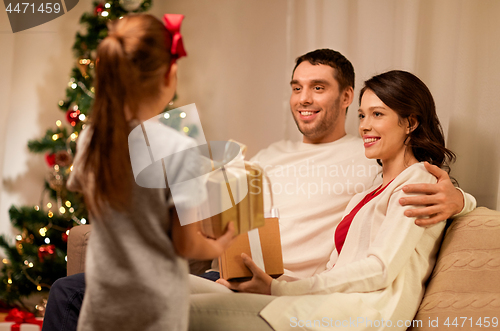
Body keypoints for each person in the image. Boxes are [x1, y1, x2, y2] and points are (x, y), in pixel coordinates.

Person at [43, 49, 474, 330]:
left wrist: (459, 199)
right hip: (233, 274)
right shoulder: (270, 155)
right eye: (296, 88)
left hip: (292, 288)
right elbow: (225, 215)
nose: (304, 99)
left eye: (318, 88)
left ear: (345, 97)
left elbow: (417, 191)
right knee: (75, 288)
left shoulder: (366, 157)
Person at [189, 70, 462, 331]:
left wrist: (461, 200)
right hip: (317, 302)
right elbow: (334, 270)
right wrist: (267, 282)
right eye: (362, 115)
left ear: (411, 123)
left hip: (357, 315)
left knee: (180, 308)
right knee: (165, 287)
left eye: (377, 114)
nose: (365, 126)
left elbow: (379, 270)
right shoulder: (365, 195)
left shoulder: (419, 181)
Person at [44, 14, 235, 331]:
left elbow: (87, 193)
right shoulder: (178, 147)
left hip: (102, 301)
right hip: (154, 308)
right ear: (168, 75)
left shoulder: (93, 138)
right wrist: (218, 245)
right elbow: (186, 245)